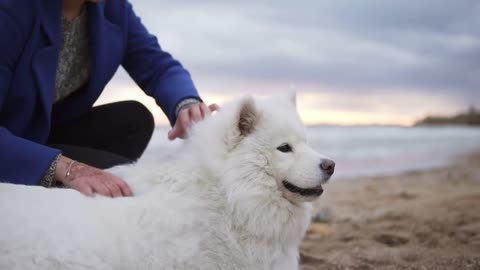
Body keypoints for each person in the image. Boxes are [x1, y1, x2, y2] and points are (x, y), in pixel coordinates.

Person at [0, 0, 218, 197]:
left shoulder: (113, 8)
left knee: (133, 120)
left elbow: (156, 65)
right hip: (10, 145)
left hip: (42, 133)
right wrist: (62, 167)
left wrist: (185, 103)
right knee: (122, 176)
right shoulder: (11, 10)